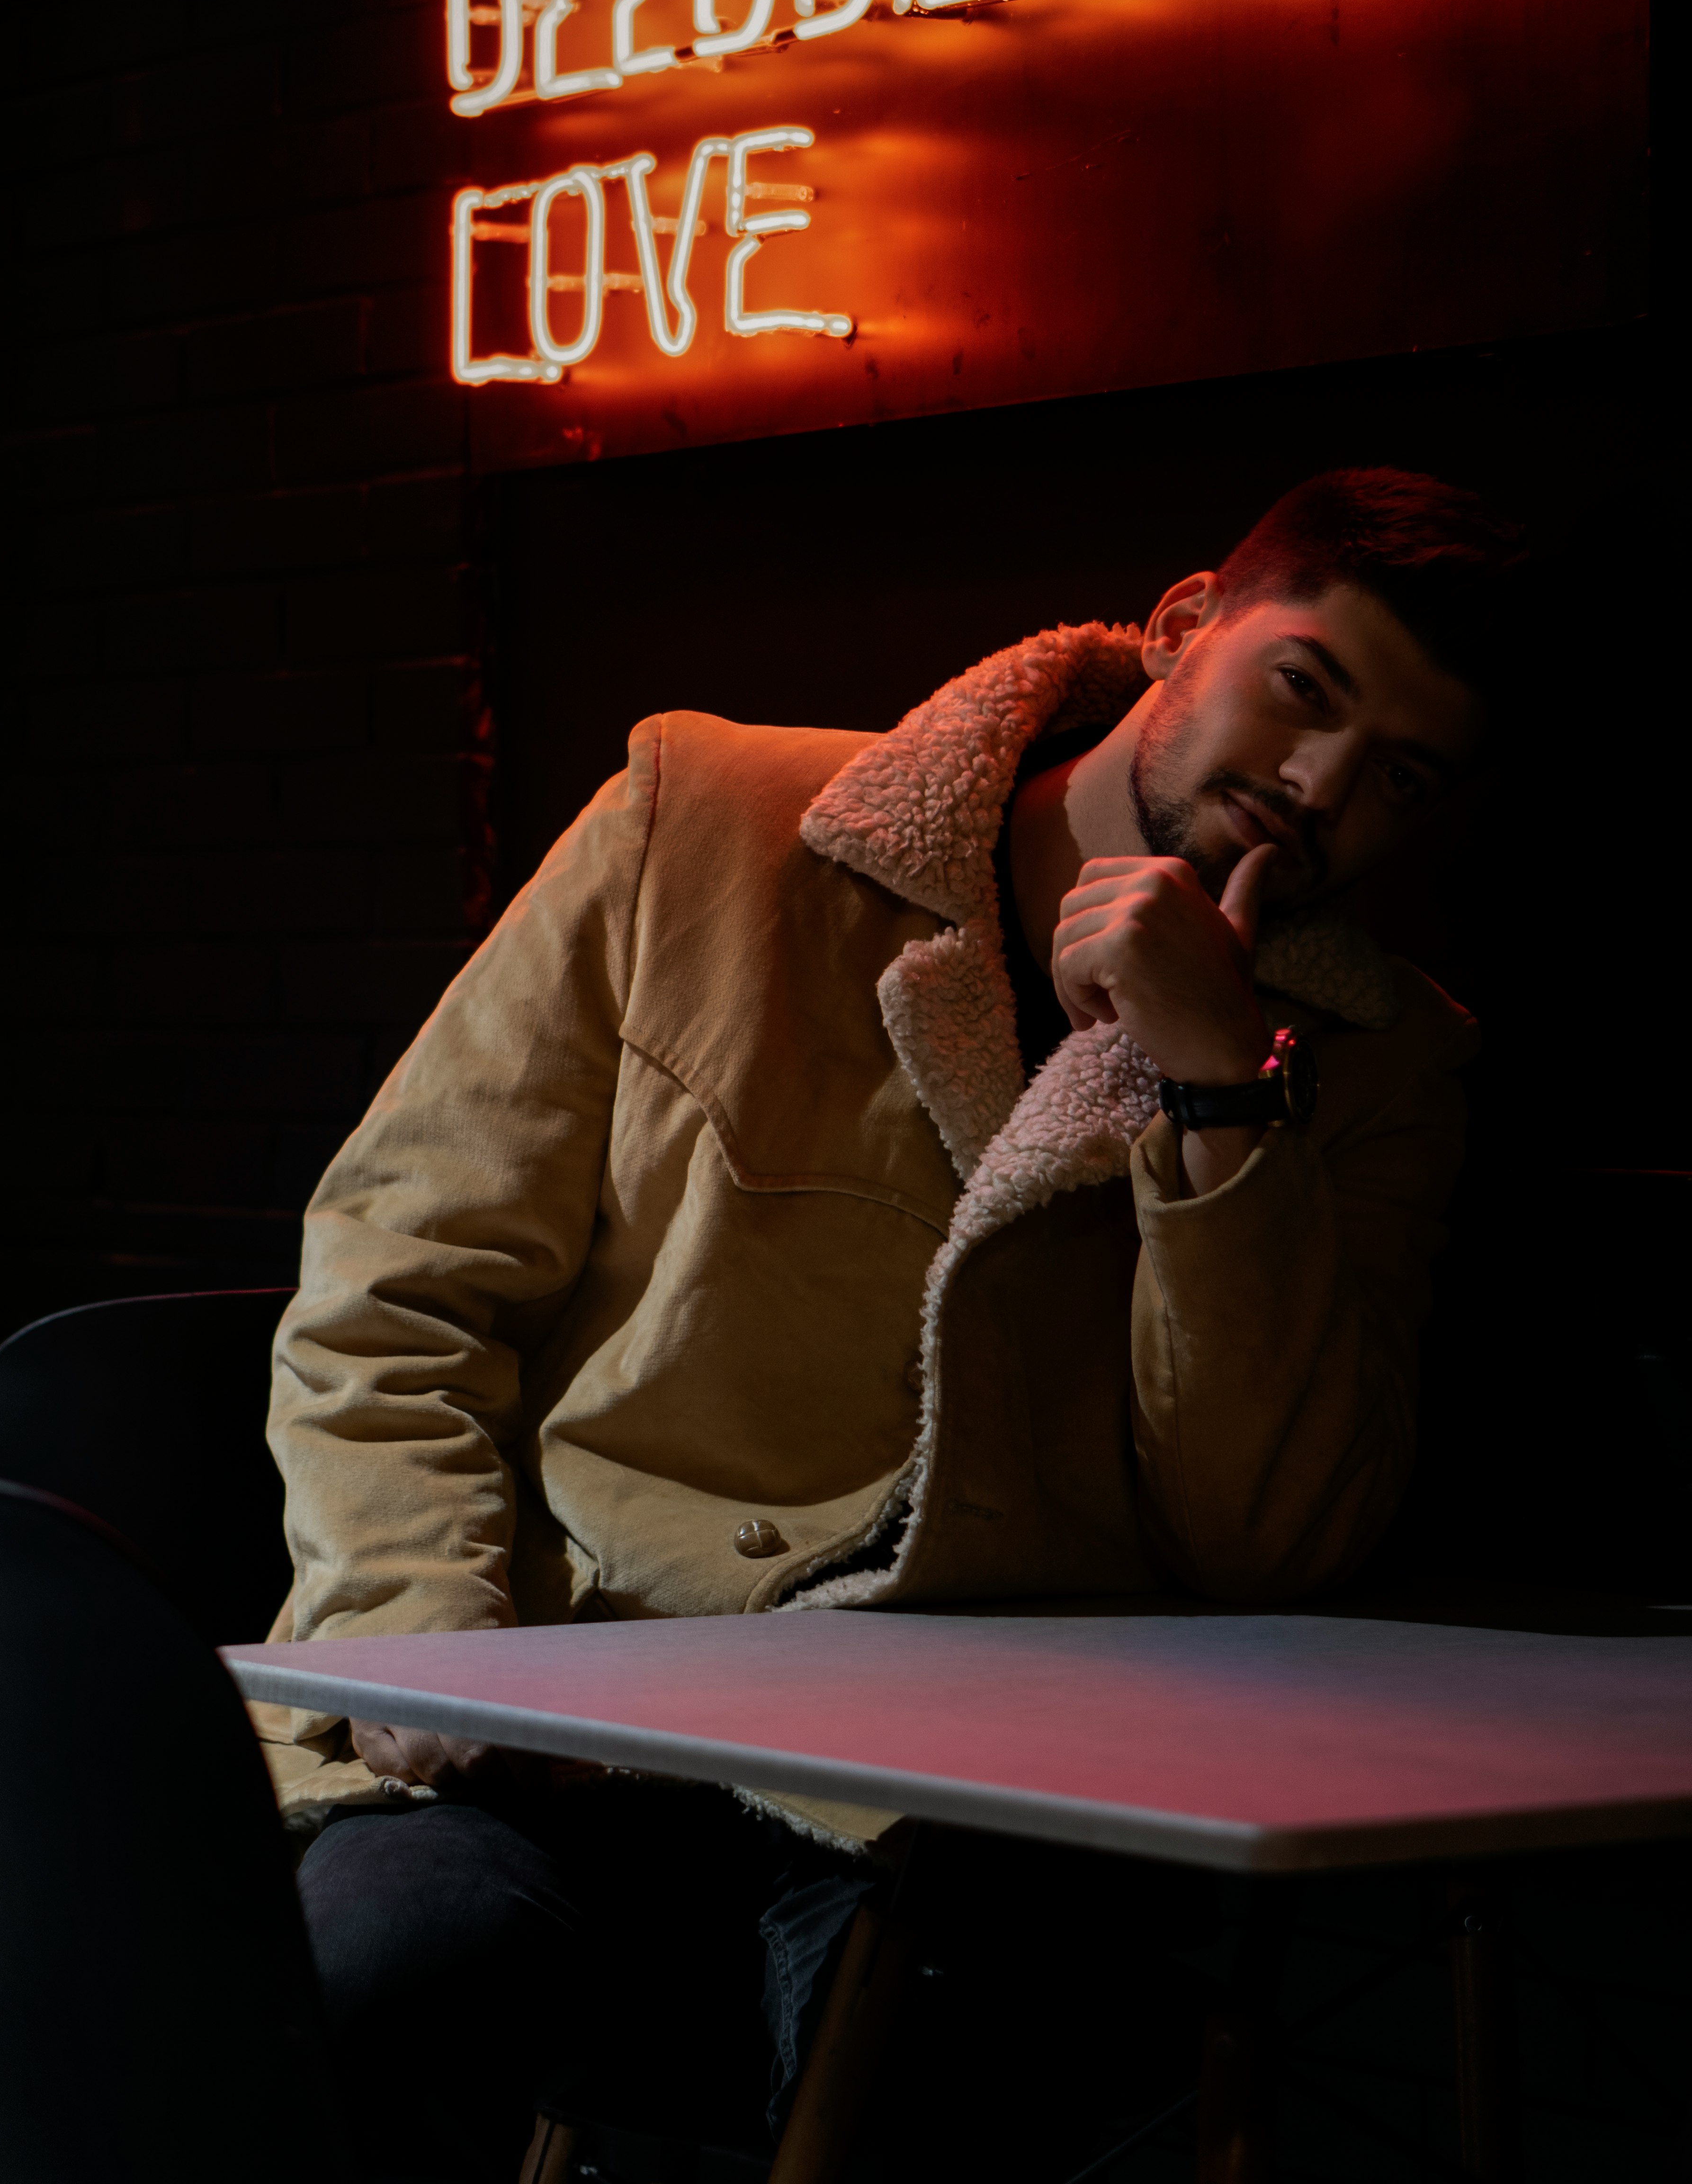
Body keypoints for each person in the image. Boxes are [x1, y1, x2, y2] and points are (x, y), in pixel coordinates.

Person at [258, 467, 1526, 2180]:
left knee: (972, 2043)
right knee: (385, 1972)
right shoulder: (699, 819)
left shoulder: (1377, 1065)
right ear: (1184, 625)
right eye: (1307, 689)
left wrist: (1223, 1093)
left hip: (969, 1802)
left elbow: (1268, 1532)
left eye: (1402, 778)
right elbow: (397, 1281)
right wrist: (418, 1626)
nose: (1318, 788)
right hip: (558, 1701)